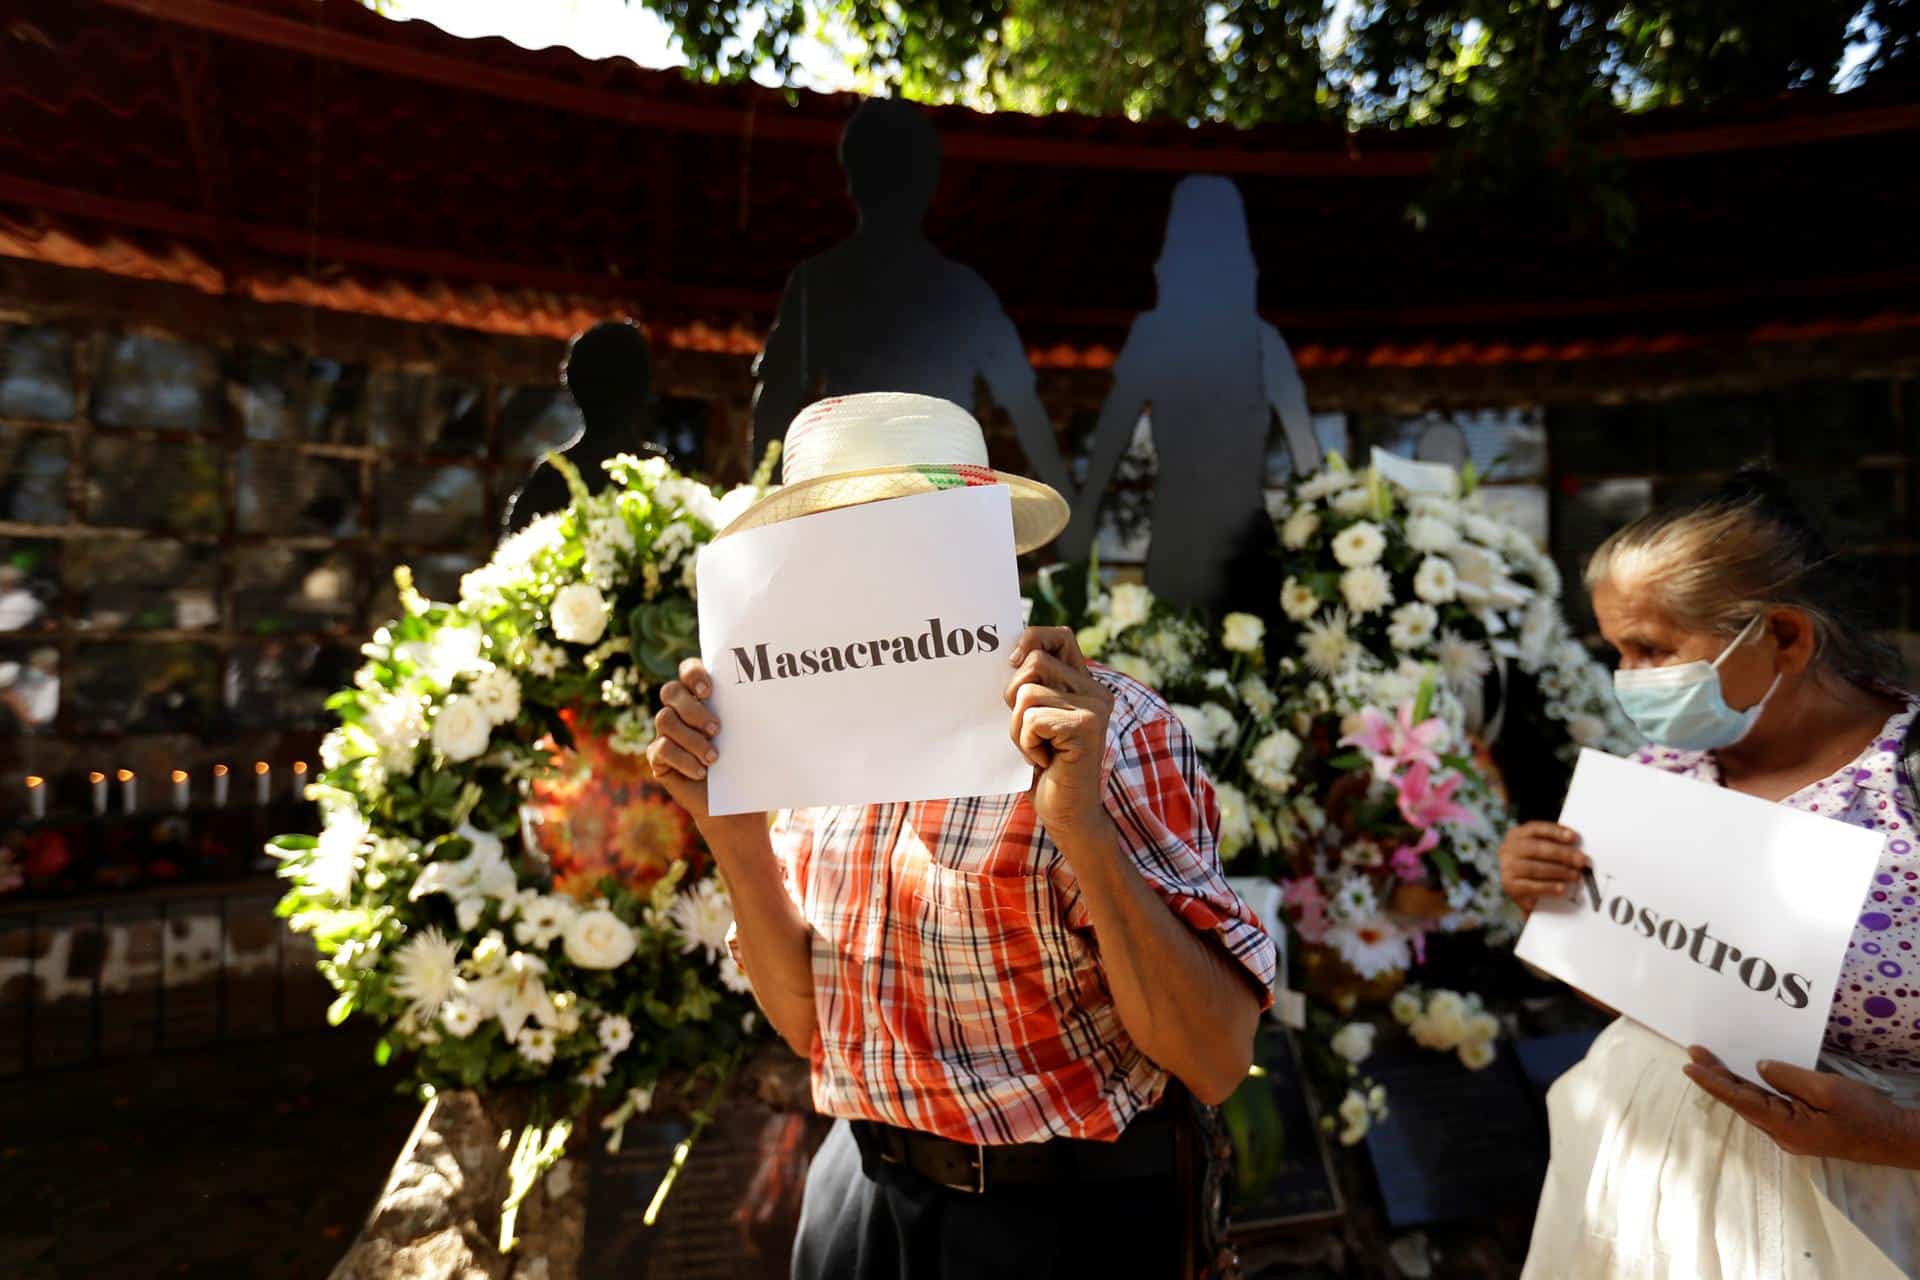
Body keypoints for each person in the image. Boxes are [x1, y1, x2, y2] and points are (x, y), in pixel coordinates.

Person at [647, 393, 1274, 1279]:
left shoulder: (1108, 730)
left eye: (901, 530)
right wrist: (732, 834)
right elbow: (812, 1031)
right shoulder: (794, 736)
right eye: (829, 541)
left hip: (1062, 1224)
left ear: (975, 543)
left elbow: (1215, 1059)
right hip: (860, 1196)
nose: (862, 568)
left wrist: (1081, 828)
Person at [1501, 470, 1920, 1277]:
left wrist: (1894, 1140)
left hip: (1877, 1223)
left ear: (1787, 638)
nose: (1629, 677)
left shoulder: (1905, 782)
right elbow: (1655, 993)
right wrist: (1550, 900)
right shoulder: (1662, 770)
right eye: (1616, 651)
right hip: (1645, 1205)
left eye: (1652, 649)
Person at [750, 101, 1074, 501]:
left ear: (853, 183)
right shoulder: (964, 292)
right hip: (884, 505)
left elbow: (773, 403)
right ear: (929, 184)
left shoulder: (819, 282)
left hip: (888, 504)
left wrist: (759, 497)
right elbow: (1027, 410)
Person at [1057, 175, 1321, 611]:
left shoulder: (1253, 340)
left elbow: (1307, 451)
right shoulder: (1239, 338)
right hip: (1187, 541)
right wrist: (1083, 515)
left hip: (1238, 546)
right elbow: (1110, 438)